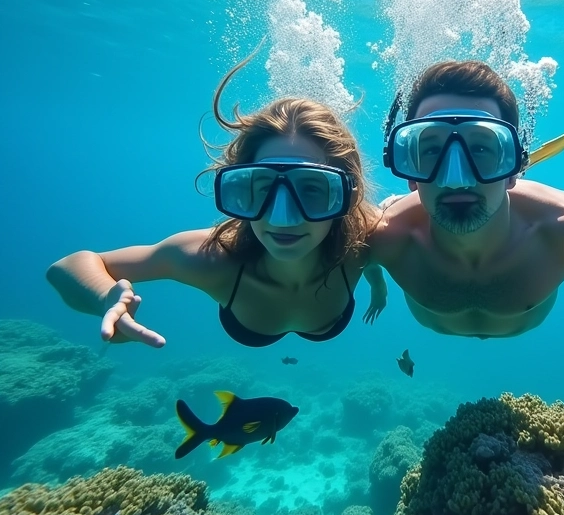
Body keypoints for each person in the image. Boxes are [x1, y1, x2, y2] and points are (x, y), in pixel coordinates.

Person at [47, 52, 388, 349]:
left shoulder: (366, 235)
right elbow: (66, 267)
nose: (283, 218)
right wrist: (104, 296)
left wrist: (377, 283)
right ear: (239, 189)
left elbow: (370, 245)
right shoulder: (211, 258)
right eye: (261, 187)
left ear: (346, 196)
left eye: (312, 189)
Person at [370, 60, 564, 376]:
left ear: (514, 169)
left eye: (481, 149)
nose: (456, 180)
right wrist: (377, 286)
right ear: (407, 169)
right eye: (430, 150)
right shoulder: (383, 233)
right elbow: (361, 258)